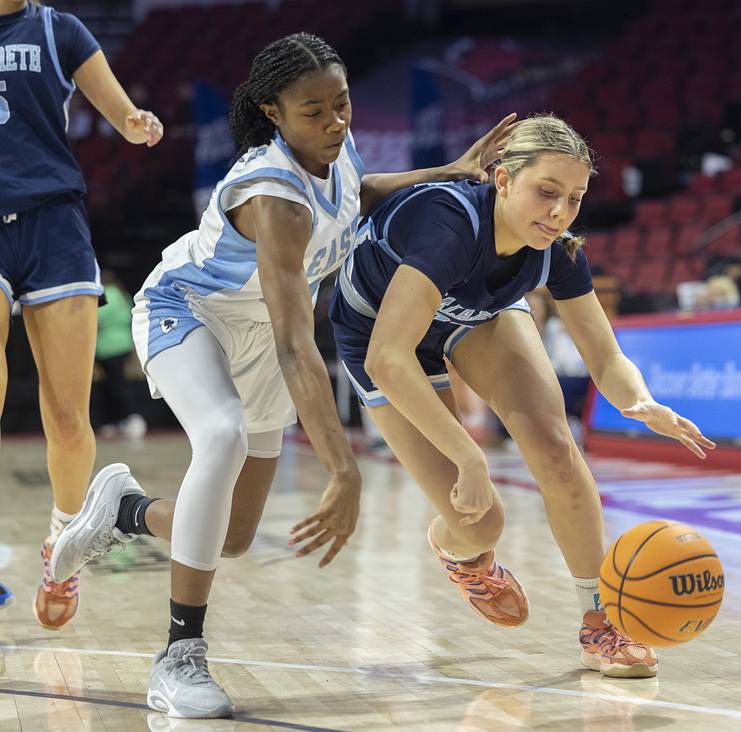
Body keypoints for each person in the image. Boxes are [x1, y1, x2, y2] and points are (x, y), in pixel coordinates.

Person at [51, 33, 515, 719]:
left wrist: (449, 169)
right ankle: (179, 658)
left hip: (260, 336)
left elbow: (359, 195)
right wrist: (344, 469)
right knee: (222, 435)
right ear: (273, 111)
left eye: (342, 105)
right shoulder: (274, 198)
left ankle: (122, 511)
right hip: (189, 311)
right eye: (313, 112)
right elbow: (299, 345)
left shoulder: (334, 152)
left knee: (230, 537)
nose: (334, 123)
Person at [329, 114, 716, 679]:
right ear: (502, 178)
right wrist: (469, 454)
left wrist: (638, 402)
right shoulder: (447, 223)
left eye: (575, 198)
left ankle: (601, 623)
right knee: (479, 520)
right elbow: (389, 357)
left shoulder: (556, 246)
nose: (559, 212)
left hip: (472, 315)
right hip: (380, 335)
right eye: (547, 192)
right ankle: (460, 551)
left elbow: (605, 357)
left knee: (557, 449)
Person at [0, 0, 162, 630]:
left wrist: (135, 121)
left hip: (54, 223)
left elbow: (120, 113)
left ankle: (62, 547)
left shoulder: (58, 29)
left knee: (67, 417)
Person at [94, 270, 147, 439]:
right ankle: (116, 421)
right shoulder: (120, 293)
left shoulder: (110, 294)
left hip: (112, 346)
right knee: (111, 384)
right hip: (115, 345)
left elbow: (96, 317)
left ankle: (132, 419)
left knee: (117, 384)